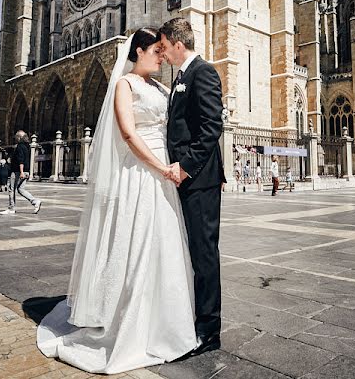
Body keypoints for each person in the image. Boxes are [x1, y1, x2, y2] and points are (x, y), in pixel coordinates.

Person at [37, 28, 198, 373]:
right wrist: (161, 167)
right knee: (135, 241)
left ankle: (165, 323)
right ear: (138, 51)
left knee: (162, 244)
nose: (162, 55)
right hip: (140, 173)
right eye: (157, 50)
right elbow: (127, 132)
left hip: (163, 174)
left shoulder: (161, 88)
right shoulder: (125, 85)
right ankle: (126, 321)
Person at [160, 19, 225, 357]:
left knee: (204, 253)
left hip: (200, 180)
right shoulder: (182, 77)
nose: (163, 54)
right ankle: (196, 318)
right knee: (192, 252)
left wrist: (185, 167)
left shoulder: (203, 72)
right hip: (186, 180)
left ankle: (209, 331)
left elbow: (213, 126)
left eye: (164, 47)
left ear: (177, 44)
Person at [1, 131, 42, 215]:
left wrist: (21, 172)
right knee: (20, 189)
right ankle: (35, 201)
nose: (15, 138)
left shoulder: (19, 146)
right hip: (26, 171)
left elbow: (21, 160)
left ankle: (11, 208)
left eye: (16, 137)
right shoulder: (27, 147)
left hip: (18, 172)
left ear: (19, 137)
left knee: (11, 189)